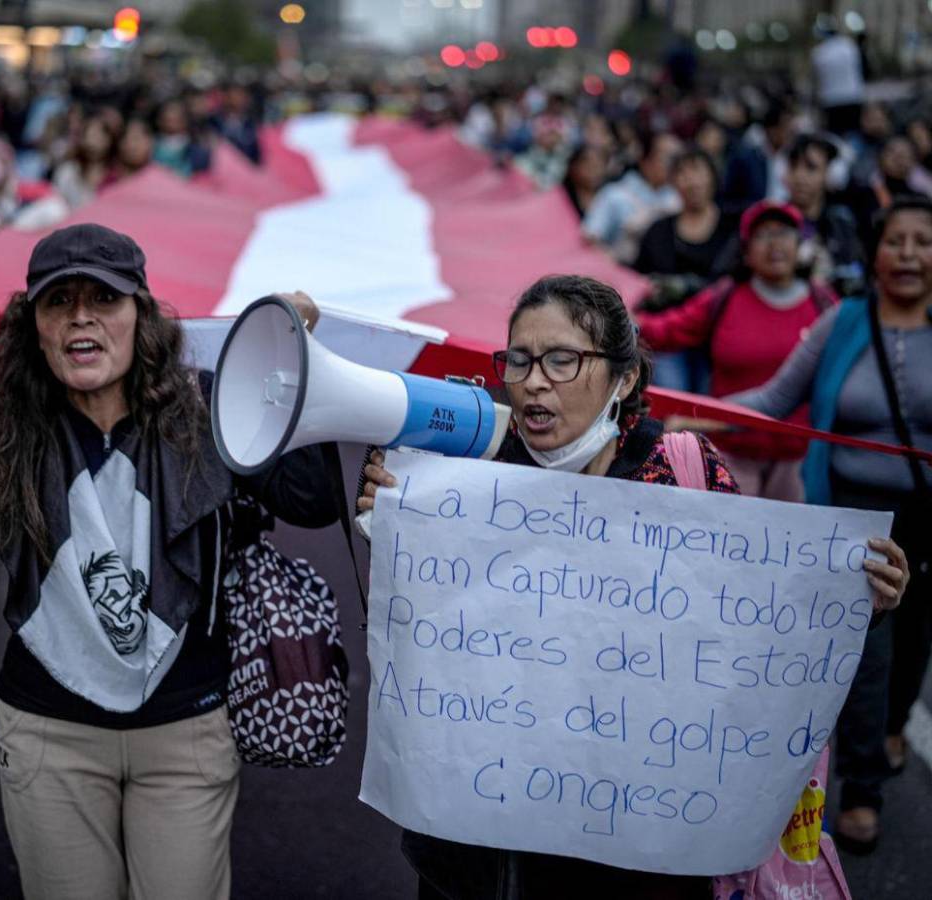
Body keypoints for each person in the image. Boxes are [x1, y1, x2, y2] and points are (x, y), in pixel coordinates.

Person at [0, 223, 339, 900]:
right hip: (49, 737)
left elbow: (312, 498)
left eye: (105, 297)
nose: (81, 317)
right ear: (32, 327)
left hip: (186, 731)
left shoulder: (210, 407)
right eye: (57, 302)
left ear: (142, 316)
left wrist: (287, 359)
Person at [358, 273, 909, 898]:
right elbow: (422, 639)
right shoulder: (463, 470)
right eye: (519, 359)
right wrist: (395, 523)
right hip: (481, 853)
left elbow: (758, 624)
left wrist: (854, 598)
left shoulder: (681, 472)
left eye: (562, 360)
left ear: (622, 379)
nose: (535, 380)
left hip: (638, 851)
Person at [726, 196, 932, 853]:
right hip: (850, 516)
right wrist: (685, 412)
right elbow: (775, 400)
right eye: (894, 240)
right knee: (865, 655)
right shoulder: (840, 322)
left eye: (922, 242)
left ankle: (894, 728)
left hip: (927, 515)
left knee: (915, 641)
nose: (907, 254)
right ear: (872, 253)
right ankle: (861, 787)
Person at [638, 201, 837, 500]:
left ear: (801, 244)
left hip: (800, 461)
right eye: (763, 235)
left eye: (783, 233)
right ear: (745, 250)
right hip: (730, 454)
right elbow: (668, 330)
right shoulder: (724, 297)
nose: (775, 244)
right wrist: (622, 321)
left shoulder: (826, 306)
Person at [633, 147, 737, 393]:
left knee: (711, 403)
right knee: (674, 401)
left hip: (717, 333)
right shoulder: (658, 231)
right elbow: (639, 279)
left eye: (697, 171)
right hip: (668, 337)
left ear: (712, 176)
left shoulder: (733, 227)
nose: (691, 181)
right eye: (682, 173)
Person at [783, 133, 866, 298]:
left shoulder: (842, 224)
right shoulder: (771, 221)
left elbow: (856, 277)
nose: (799, 176)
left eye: (810, 168)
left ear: (828, 174)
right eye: (793, 166)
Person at [582, 129, 682, 264]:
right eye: (668, 158)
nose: (674, 166)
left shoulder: (678, 197)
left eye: (677, 158)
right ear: (645, 160)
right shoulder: (614, 194)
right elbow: (589, 239)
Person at [51, 112, 122, 210]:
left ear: (110, 140)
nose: (94, 140)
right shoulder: (68, 170)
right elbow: (56, 202)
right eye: (91, 135)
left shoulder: (117, 175)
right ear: (82, 139)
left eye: (100, 135)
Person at [560, 144, 607, 218]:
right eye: (589, 167)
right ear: (574, 167)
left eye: (598, 166)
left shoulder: (608, 194)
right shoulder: (562, 197)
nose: (595, 172)